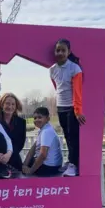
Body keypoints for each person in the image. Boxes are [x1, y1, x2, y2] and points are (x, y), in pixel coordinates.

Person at [49, 38, 86, 177]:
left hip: (71, 108)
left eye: (63, 50)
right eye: (58, 50)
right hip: (61, 107)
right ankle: (71, 161)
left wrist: (77, 111)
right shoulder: (52, 70)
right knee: (66, 136)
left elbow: (77, 92)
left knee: (73, 137)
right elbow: (57, 87)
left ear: (69, 52)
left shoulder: (75, 68)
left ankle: (74, 164)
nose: (60, 53)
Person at [22, 107, 63, 177]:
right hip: (54, 166)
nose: (37, 120)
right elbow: (33, 149)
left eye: (40, 117)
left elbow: (43, 155)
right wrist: (24, 165)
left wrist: (31, 171)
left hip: (48, 168)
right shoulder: (46, 129)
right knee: (27, 162)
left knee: (19, 164)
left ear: (47, 119)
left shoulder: (46, 132)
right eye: (35, 118)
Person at [0, 93, 26, 171]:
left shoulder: (21, 122)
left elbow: (20, 144)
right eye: (7, 103)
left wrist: (9, 155)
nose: (10, 107)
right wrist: (3, 157)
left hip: (15, 161)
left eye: (13, 104)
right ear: (2, 105)